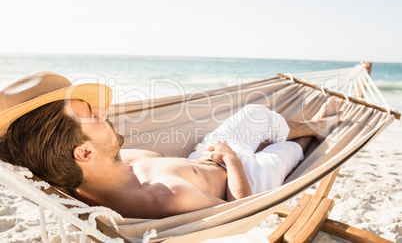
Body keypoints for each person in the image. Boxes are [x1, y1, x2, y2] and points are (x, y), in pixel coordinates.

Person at [0, 72, 338, 219]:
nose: (105, 112)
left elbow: (31, 155)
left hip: (205, 155)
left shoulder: (72, 173)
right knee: (288, 152)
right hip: (246, 175)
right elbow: (243, 210)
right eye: (92, 115)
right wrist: (232, 161)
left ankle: (307, 125)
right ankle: (311, 135)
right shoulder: (166, 197)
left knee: (254, 115)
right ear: (84, 152)